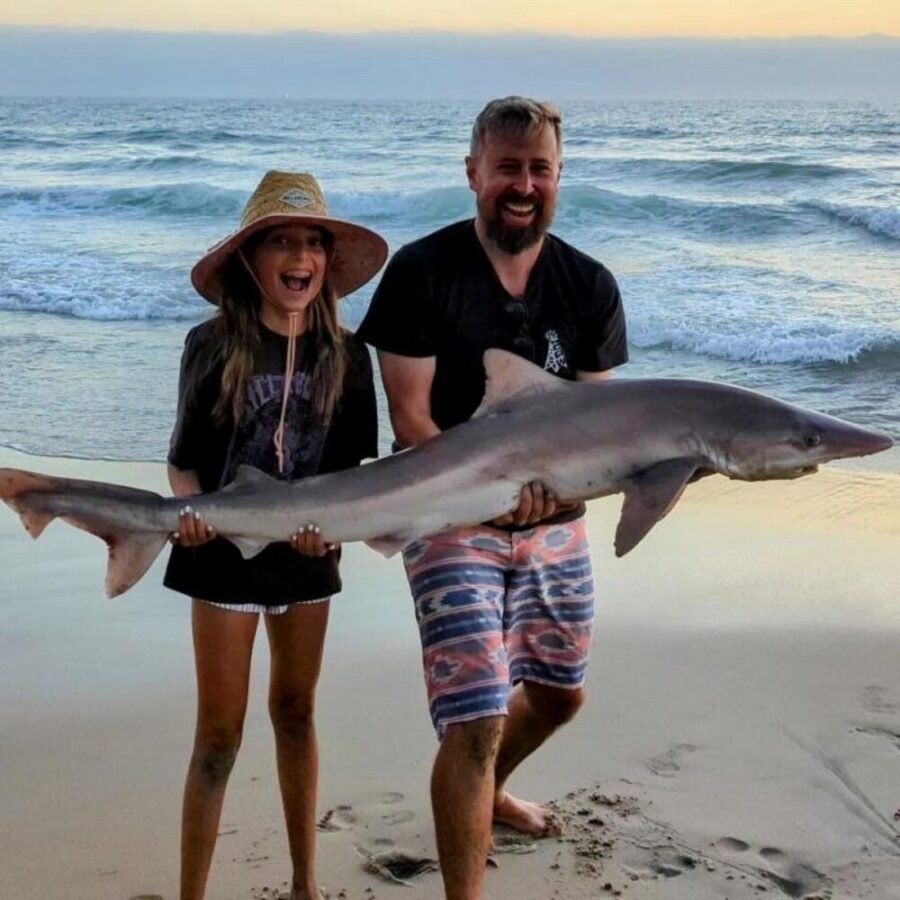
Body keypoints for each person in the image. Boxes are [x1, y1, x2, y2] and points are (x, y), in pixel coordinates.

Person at [357, 97, 628, 900]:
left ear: (559, 178)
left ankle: (484, 792)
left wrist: (541, 503)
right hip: (447, 513)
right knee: (474, 720)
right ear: (472, 172)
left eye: (539, 169)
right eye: (506, 167)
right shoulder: (421, 272)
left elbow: (598, 423)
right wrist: (485, 500)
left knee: (557, 696)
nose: (523, 184)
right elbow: (410, 418)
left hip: (553, 521)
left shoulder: (588, 285)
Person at [164, 170, 387, 900]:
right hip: (218, 561)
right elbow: (183, 463)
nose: (300, 256)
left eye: (312, 242)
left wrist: (337, 535)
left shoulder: (350, 359)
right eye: (282, 242)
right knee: (219, 740)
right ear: (252, 259)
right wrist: (193, 515)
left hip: (306, 561)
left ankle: (305, 885)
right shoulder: (210, 344)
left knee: (296, 714)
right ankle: (192, 892)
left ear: (326, 261)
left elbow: (356, 474)